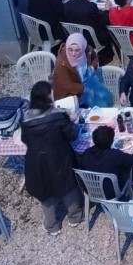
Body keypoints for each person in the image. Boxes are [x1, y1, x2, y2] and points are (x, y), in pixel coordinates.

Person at [21, 81, 84, 234]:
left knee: (44, 191)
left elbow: (25, 140)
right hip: (59, 158)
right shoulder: (58, 117)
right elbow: (73, 135)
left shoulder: (26, 118)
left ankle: (51, 226)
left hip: (36, 161)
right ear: (48, 97)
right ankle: (74, 217)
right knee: (68, 185)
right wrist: (72, 120)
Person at [78, 125, 133, 200]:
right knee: (127, 166)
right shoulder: (115, 155)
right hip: (113, 193)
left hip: (92, 191)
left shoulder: (86, 152)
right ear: (112, 141)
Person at [64, 0, 116, 64]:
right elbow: (105, 21)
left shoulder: (67, 5)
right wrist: (107, 10)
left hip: (75, 36)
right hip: (92, 39)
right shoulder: (91, 7)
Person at [51, 31, 98, 101]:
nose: (73, 54)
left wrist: (92, 67)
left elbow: (95, 58)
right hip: (68, 95)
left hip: (84, 85)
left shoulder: (87, 50)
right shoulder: (62, 62)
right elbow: (68, 85)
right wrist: (86, 90)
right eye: (70, 50)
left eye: (77, 50)